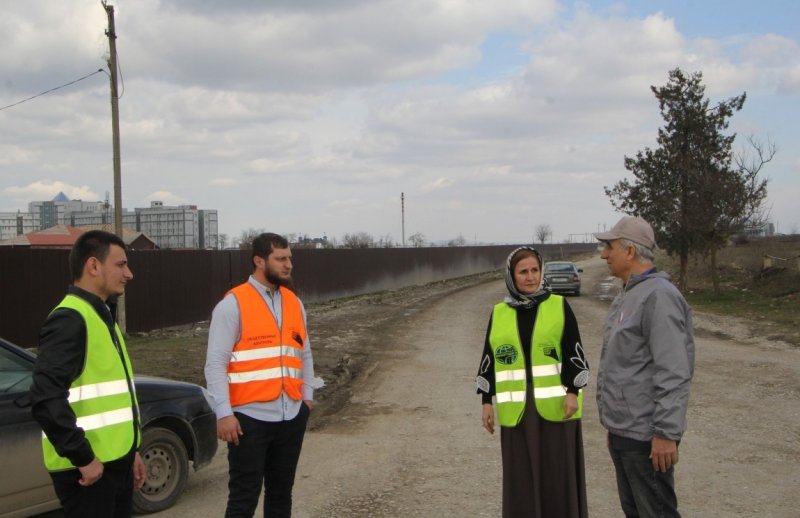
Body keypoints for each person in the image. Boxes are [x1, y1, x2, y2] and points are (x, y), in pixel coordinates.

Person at [30, 230, 145, 518]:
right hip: (90, 472)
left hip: (115, 463)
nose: (129, 274)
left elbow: (115, 397)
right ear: (93, 266)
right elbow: (45, 398)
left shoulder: (101, 315)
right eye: (121, 265)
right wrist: (83, 457)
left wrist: (132, 451)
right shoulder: (70, 319)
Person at [205, 232, 315, 518]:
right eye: (280, 259)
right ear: (258, 261)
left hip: (291, 415)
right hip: (249, 421)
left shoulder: (294, 302)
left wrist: (307, 397)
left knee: (281, 495)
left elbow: (305, 354)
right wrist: (224, 414)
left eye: (290, 257)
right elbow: (215, 363)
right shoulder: (233, 304)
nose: (288, 264)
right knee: (243, 499)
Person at [476, 246, 589, 518]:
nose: (530, 277)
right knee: (521, 480)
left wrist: (573, 391)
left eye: (535, 270)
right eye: (523, 272)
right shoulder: (499, 312)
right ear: (511, 276)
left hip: (557, 410)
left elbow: (575, 353)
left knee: (557, 476)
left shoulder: (559, 306)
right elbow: (489, 359)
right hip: (517, 414)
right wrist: (486, 402)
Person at [595, 216, 695, 518]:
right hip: (627, 433)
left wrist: (665, 432)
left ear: (630, 251)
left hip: (647, 437)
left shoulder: (658, 296)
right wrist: (616, 425)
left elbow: (674, 370)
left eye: (608, 247)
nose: (603, 254)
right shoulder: (629, 293)